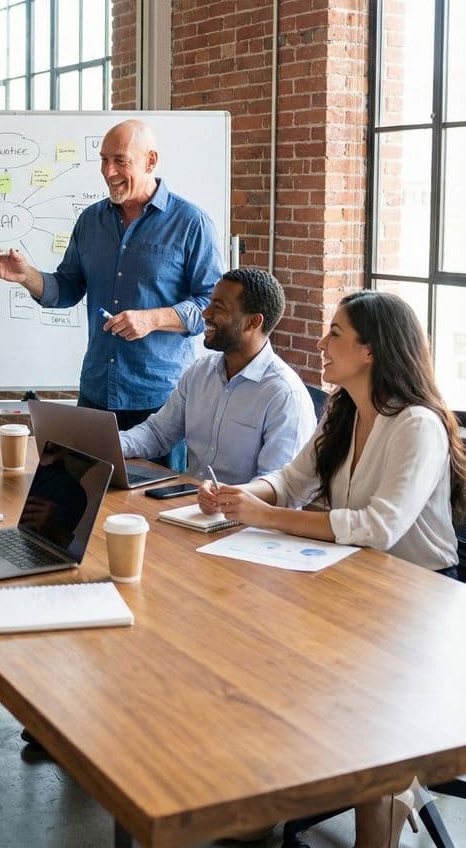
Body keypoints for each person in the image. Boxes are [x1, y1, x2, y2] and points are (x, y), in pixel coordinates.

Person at [200, 290, 465, 848]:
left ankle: (390, 799)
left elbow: (380, 527)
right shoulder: (342, 410)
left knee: (370, 723)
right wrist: (237, 496)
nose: (321, 343)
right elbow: (290, 482)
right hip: (351, 581)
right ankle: (266, 792)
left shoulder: (417, 425)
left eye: (335, 333)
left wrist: (269, 518)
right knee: (253, 655)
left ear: (370, 351)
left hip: (416, 601)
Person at [0, 118, 223, 465]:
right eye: (103, 159)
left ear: (150, 161)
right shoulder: (90, 221)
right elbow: (67, 287)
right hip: (96, 394)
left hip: (159, 403)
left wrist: (152, 319)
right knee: (88, 503)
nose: (108, 171)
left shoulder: (191, 224)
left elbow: (211, 307)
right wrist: (28, 276)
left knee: (154, 512)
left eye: (120, 160)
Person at [119, 268, 317, 483]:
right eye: (210, 302)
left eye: (218, 307)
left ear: (253, 322)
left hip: (241, 514)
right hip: (188, 504)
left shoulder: (285, 395)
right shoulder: (200, 372)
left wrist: (222, 500)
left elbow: (278, 487)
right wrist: (109, 445)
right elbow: (158, 433)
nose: (205, 313)